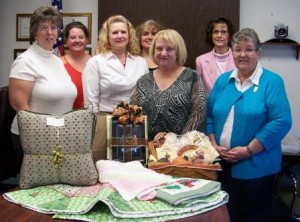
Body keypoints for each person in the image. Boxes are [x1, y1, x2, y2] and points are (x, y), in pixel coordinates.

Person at [206, 28, 292, 222]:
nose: (242, 54)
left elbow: (281, 121)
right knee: (224, 216)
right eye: (237, 49)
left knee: (252, 216)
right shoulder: (223, 81)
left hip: (256, 168)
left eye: (249, 49)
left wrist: (249, 149)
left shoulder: (272, 82)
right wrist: (213, 144)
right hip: (221, 166)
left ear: (259, 52)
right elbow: (209, 116)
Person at [9, 6, 77, 168]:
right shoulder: (25, 61)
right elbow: (19, 106)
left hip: (58, 136)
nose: (50, 32)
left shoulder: (55, 59)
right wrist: (39, 138)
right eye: (43, 28)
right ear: (34, 32)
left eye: (54, 27)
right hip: (34, 138)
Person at [131, 29, 207, 141]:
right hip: (147, 151)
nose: (163, 53)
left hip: (181, 152)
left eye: (169, 49)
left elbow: (198, 116)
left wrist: (175, 142)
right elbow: (134, 116)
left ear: (178, 52)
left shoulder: (192, 78)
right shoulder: (143, 81)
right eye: (159, 49)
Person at [82, 15, 148, 113]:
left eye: (123, 32)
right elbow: (91, 102)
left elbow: (146, 96)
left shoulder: (141, 62)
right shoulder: (96, 62)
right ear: (107, 37)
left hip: (135, 120)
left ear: (129, 35)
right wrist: (96, 125)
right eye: (115, 32)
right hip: (106, 119)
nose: (120, 36)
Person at [195, 17, 236, 95]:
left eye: (223, 32)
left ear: (229, 35)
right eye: (216, 32)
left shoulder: (238, 58)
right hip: (211, 106)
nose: (219, 35)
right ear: (211, 35)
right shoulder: (200, 61)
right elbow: (199, 91)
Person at [61, 21, 91, 109]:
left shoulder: (95, 62)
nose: (77, 40)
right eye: (73, 37)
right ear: (67, 40)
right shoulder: (59, 63)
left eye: (81, 37)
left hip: (93, 115)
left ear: (86, 40)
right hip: (66, 115)